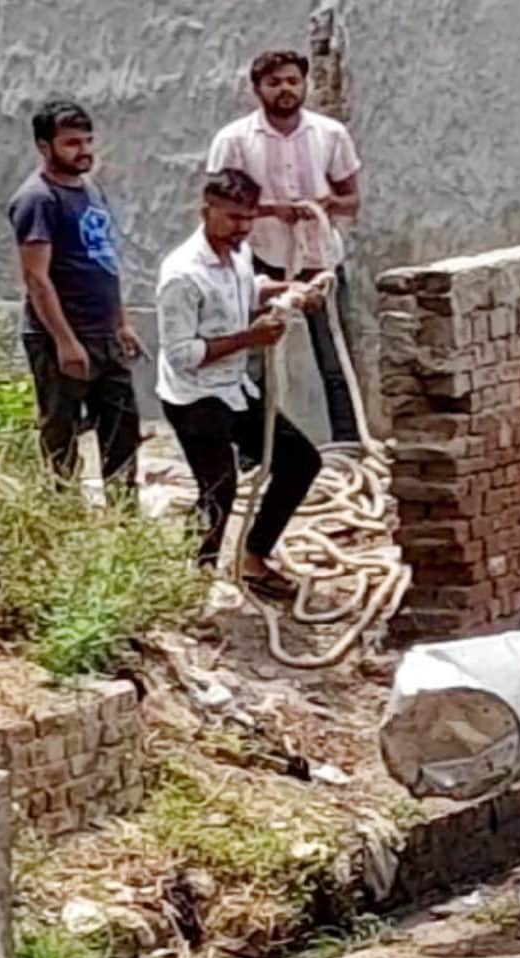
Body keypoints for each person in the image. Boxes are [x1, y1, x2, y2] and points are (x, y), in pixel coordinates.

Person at [155, 168, 325, 598]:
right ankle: (191, 582)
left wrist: (293, 290)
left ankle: (252, 558)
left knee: (301, 461)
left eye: (249, 218)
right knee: (219, 488)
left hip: (233, 388)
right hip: (194, 395)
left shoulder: (238, 253)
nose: (242, 228)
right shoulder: (182, 274)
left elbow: (248, 290)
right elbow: (183, 355)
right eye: (233, 217)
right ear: (206, 211)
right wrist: (250, 338)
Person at [205, 49, 364, 444]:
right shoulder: (234, 140)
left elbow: (352, 200)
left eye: (293, 80)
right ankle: (255, 449)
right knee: (255, 358)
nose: (286, 89)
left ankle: (349, 445)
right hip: (260, 261)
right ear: (257, 89)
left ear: (304, 84)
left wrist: (326, 205)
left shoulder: (331, 134)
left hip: (320, 259)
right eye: (275, 82)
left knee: (335, 359)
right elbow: (217, 206)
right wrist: (273, 212)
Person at [7, 100, 145, 492]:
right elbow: (36, 278)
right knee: (62, 435)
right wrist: (65, 342)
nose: (84, 150)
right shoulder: (37, 199)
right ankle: (64, 517)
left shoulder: (89, 189)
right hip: (59, 338)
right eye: (71, 143)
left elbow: (105, 260)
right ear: (44, 146)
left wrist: (121, 323)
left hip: (105, 335)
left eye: (87, 141)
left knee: (121, 431)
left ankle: (122, 524)